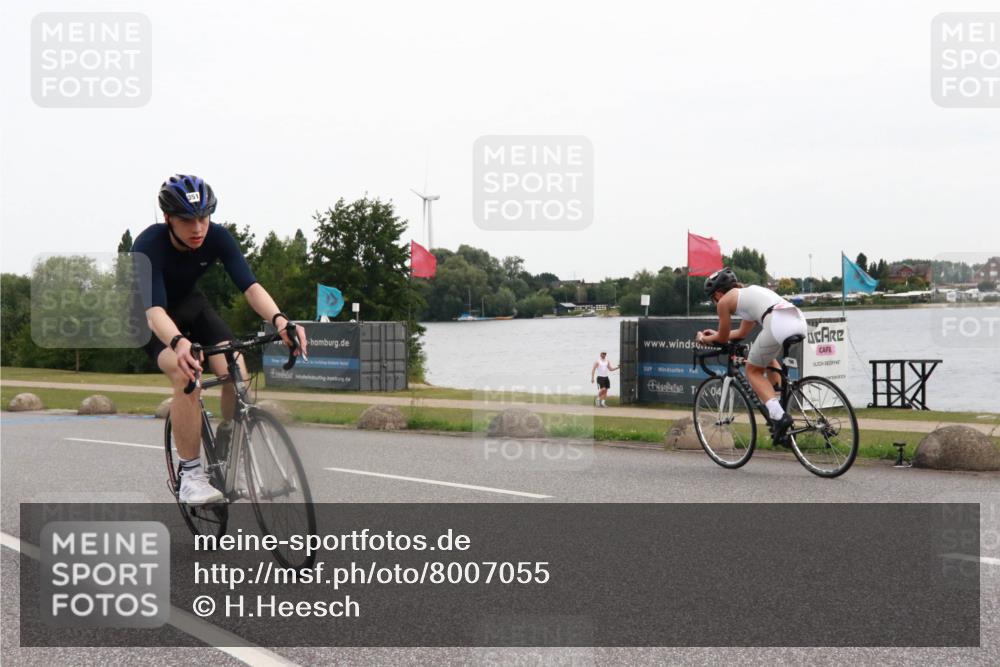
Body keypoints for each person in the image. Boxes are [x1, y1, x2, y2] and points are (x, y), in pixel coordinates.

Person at [133, 174, 307, 504]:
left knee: (235, 367)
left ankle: (231, 443)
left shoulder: (217, 237)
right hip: (152, 317)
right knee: (188, 374)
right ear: (168, 218)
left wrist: (280, 320)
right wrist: (179, 342)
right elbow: (154, 311)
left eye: (203, 217)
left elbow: (251, 287)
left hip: (192, 306)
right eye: (187, 220)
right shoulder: (148, 245)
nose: (197, 228)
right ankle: (191, 475)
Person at [695, 267, 807, 444]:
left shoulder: (724, 302)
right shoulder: (748, 294)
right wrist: (714, 335)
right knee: (766, 358)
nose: (715, 303)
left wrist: (704, 339)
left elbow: (723, 338)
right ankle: (777, 398)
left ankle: (779, 416)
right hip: (797, 319)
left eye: (712, 299)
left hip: (778, 322)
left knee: (752, 371)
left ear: (717, 293)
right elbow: (740, 333)